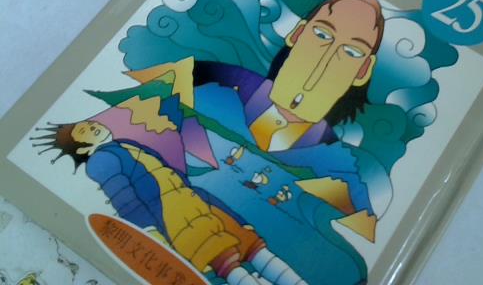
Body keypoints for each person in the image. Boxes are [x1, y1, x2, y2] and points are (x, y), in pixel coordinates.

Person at [33, 121, 307, 285]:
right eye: (85, 131)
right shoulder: (101, 161)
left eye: (90, 124)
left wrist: (226, 210)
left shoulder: (124, 144)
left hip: (192, 199)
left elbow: (172, 175)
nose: (94, 127)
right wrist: (149, 232)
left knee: (251, 246)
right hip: (174, 216)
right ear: (82, 148)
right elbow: (126, 201)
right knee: (225, 261)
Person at [193, 0, 385, 152]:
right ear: (297, 33)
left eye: (352, 52)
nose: (326, 59)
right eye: (321, 34)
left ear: (363, 70)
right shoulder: (216, 79)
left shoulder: (332, 155)